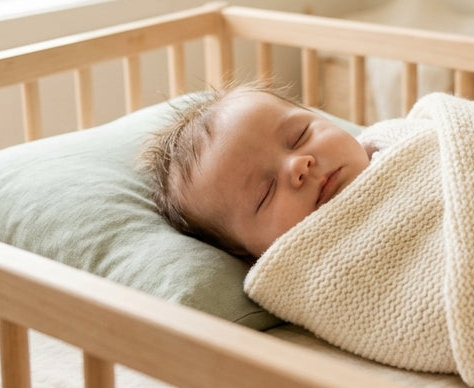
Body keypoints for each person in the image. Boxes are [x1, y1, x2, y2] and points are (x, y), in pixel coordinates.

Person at [140, 84, 373, 260]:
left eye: (300, 136)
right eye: (266, 192)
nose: (298, 165)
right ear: (250, 255)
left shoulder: (392, 139)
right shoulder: (314, 279)